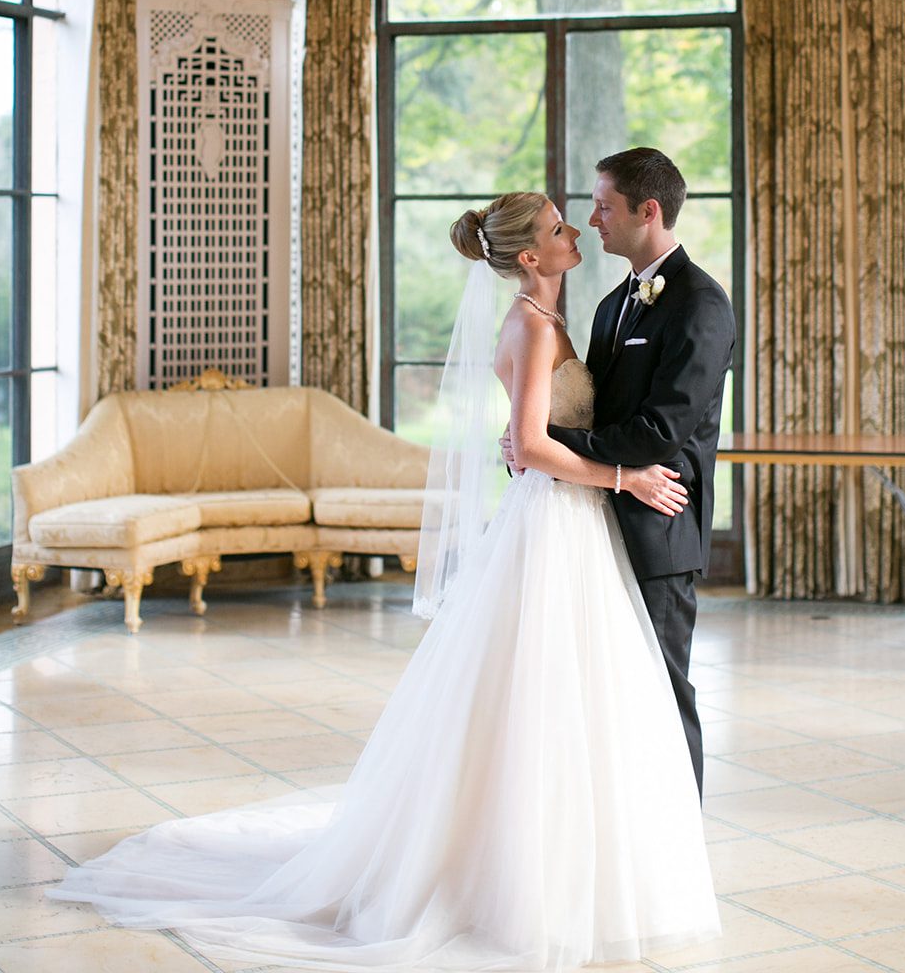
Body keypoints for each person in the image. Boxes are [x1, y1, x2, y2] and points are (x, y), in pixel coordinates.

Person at [49, 191, 720, 968]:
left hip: (571, 524)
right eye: (558, 227)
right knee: (535, 693)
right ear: (531, 257)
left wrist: (569, 458)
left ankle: (578, 855)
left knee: (571, 694)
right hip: (557, 517)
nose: (575, 230)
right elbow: (533, 445)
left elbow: (532, 432)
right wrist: (622, 478)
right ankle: (508, 877)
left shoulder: (565, 319)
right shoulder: (532, 328)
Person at [541, 148, 736, 795]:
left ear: (646, 211)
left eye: (603, 205)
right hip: (593, 522)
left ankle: (681, 832)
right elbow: (597, 406)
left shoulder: (700, 303)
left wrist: (547, 442)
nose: (591, 219)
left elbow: (659, 432)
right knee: (602, 692)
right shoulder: (610, 304)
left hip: (657, 526)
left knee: (663, 685)